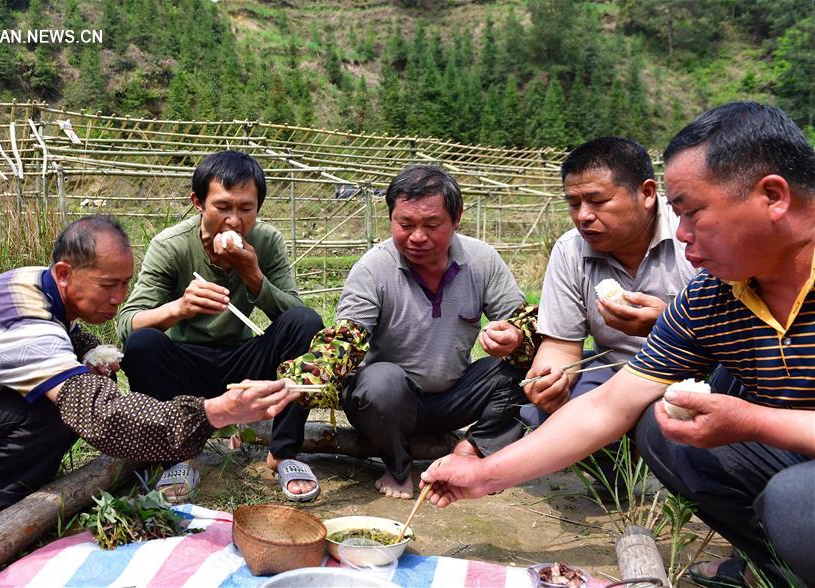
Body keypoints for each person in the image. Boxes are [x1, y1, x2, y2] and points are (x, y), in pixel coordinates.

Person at [421, 102, 815, 586]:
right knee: (662, 427)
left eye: (692, 212)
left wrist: (752, 421)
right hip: (787, 442)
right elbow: (609, 403)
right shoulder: (715, 292)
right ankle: (771, 566)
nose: (685, 235)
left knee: (796, 500)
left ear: (772, 196)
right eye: (678, 215)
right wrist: (484, 475)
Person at [0, 215, 298, 535]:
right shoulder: (27, 327)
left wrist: (87, 352)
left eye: (126, 283)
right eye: (108, 285)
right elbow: (99, 412)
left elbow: (69, 334)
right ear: (65, 273)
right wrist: (213, 412)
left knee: (80, 383)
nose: (119, 297)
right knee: (64, 405)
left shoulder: (33, 281)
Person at [278, 165, 539, 499]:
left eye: (431, 225)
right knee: (381, 382)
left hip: (453, 396)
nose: (417, 236)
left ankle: (472, 451)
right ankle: (397, 467)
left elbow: (525, 322)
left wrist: (515, 337)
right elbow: (344, 338)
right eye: (405, 224)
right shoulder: (374, 269)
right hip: (386, 405)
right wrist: (299, 381)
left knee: (529, 367)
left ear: (456, 218)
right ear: (391, 219)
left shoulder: (481, 261)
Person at [116, 151, 324, 503]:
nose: (234, 220)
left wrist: (254, 277)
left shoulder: (267, 241)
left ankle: (284, 452)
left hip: (243, 363)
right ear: (198, 202)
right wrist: (179, 308)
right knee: (143, 344)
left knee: (306, 322)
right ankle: (178, 456)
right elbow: (127, 322)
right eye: (222, 207)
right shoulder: (171, 245)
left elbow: (296, 313)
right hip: (186, 365)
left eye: (246, 209)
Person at [521, 137, 698, 491]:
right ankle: (617, 475)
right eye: (573, 203)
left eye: (597, 201)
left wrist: (668, 324)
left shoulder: (692, 235)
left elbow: (739, 336)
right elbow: (560, 345)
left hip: (697, 376)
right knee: (544, 411)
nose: (584, 216)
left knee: (663, 419)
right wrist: (549, 379)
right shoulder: (571, 251)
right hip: (617, 373)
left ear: (646, 193)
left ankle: (693, 479)